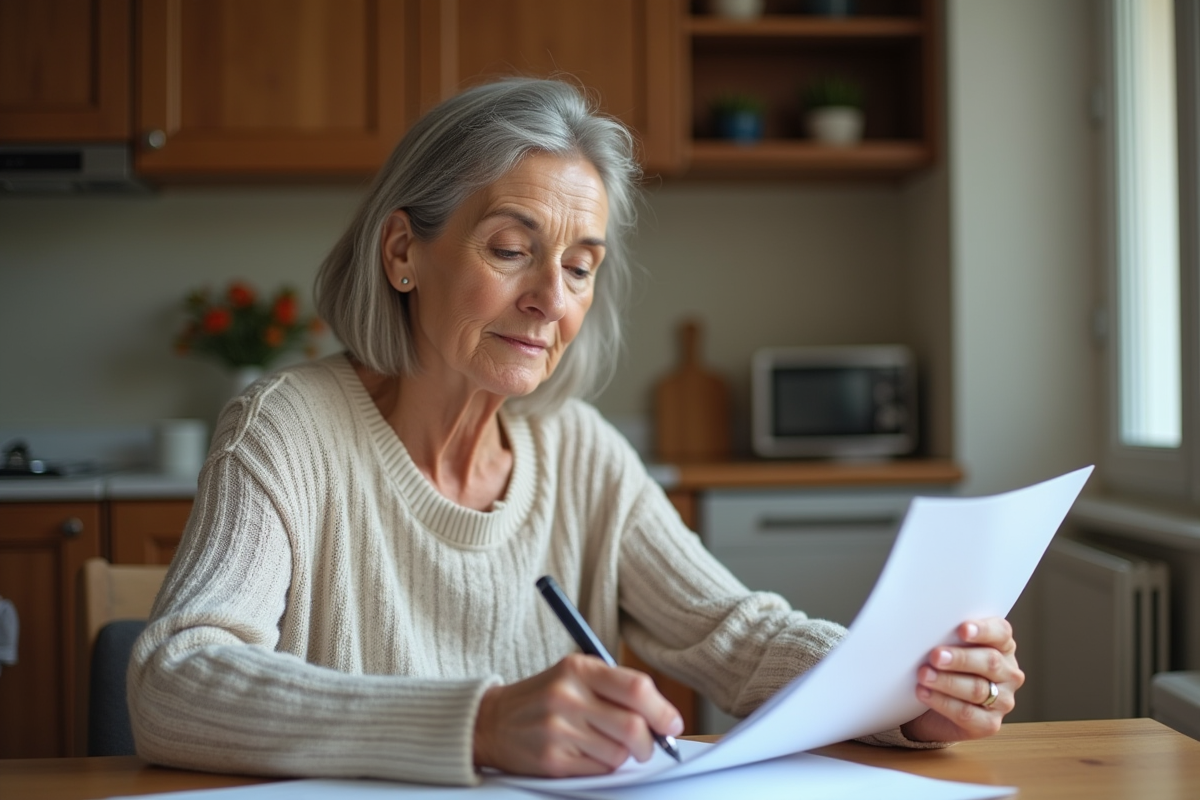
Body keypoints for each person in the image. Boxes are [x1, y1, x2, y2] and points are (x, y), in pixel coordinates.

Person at [127, 78, 1024, 786]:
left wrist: (904, 689)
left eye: (580, 265)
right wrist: (479, 723)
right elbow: (173, 683)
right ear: (402, 252)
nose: (552, 301)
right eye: (511, 249)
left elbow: (735, 633)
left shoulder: (581, 451)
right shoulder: (287, 428)